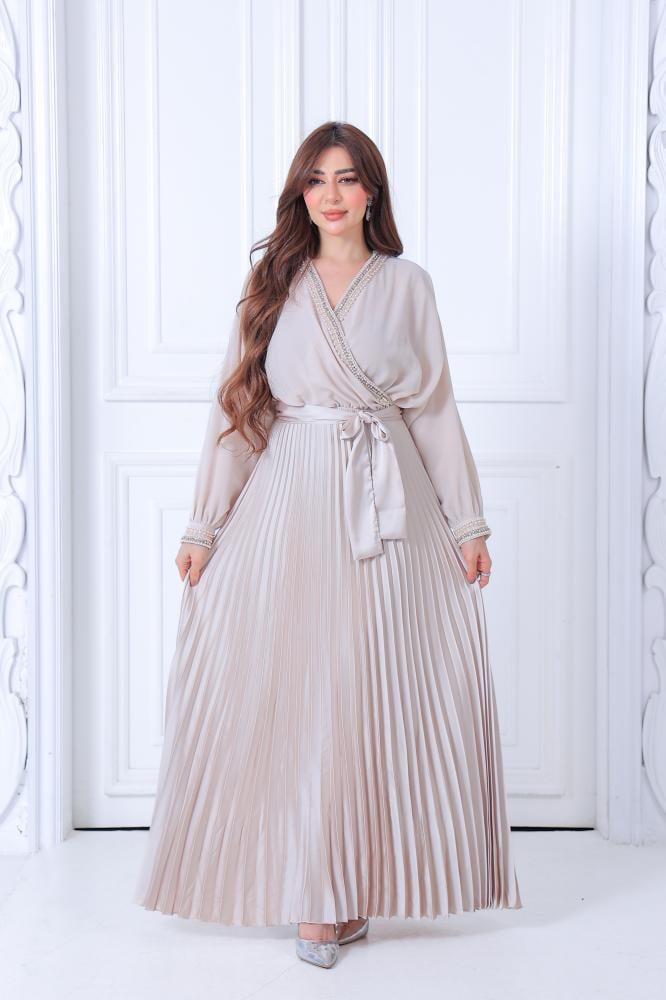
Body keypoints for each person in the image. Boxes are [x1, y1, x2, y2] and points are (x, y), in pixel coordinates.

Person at [133, 121, 522, 969]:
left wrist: (467, 524)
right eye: (316, 180)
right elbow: (239, 411)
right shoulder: (273, 283)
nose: (332, 195)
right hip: (289, 501)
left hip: (387, 506)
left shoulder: (408, 285)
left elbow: (433, 409)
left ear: (371, 191)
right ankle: (314, 890)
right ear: (300, 194)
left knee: (370, 694)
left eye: (347, 179)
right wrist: (205, 525)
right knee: (300, 694)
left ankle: (351, 886)